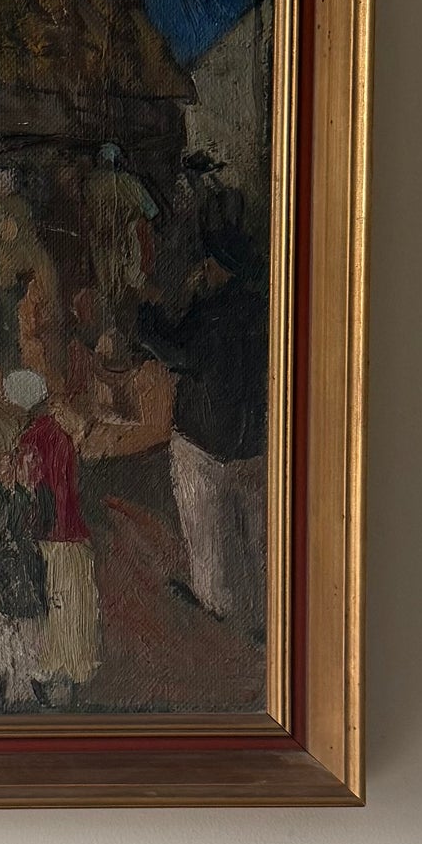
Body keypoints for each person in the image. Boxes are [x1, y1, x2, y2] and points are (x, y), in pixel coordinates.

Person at [139, 215, 269, 634]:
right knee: (256, 535)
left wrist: (147, 316)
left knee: (209, 534)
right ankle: (262, 615)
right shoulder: (265, 309)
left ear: (216, 265)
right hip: (255, 443)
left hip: (205, 441)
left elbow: (176, 353)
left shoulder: (210, 311)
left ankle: (219, 610)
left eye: (208, 262)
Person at [9, 369, 102, 703]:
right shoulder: (64, 433)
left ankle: (48, 680)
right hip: (73, 534)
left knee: (50, 608)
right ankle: (72, 680)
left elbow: (28, 489)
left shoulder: (30, 439)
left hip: (46, 537)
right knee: (74, 614)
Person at [0, 447, 53, 707]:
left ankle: (38, 693)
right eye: (4, 467)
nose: (8, 471)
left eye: (11, 466)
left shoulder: (24, 498)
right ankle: (0, 699)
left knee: (27, 639)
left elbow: (30, 537)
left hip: (21, 579)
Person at [0, 167, 51, 372]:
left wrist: (35, 268)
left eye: (11, 177)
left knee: (17, 324)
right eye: (4, 176)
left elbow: (30, 239)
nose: (8, 181)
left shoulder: (21, 205)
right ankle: (0, 369)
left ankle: (13, 368)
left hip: (19, 277)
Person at [86, 143, 158, 326]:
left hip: (101, 248)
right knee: (128, 293)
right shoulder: (130, 182)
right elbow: (151, 211)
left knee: (105, 292)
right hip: (127, 246)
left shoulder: (89, 184)